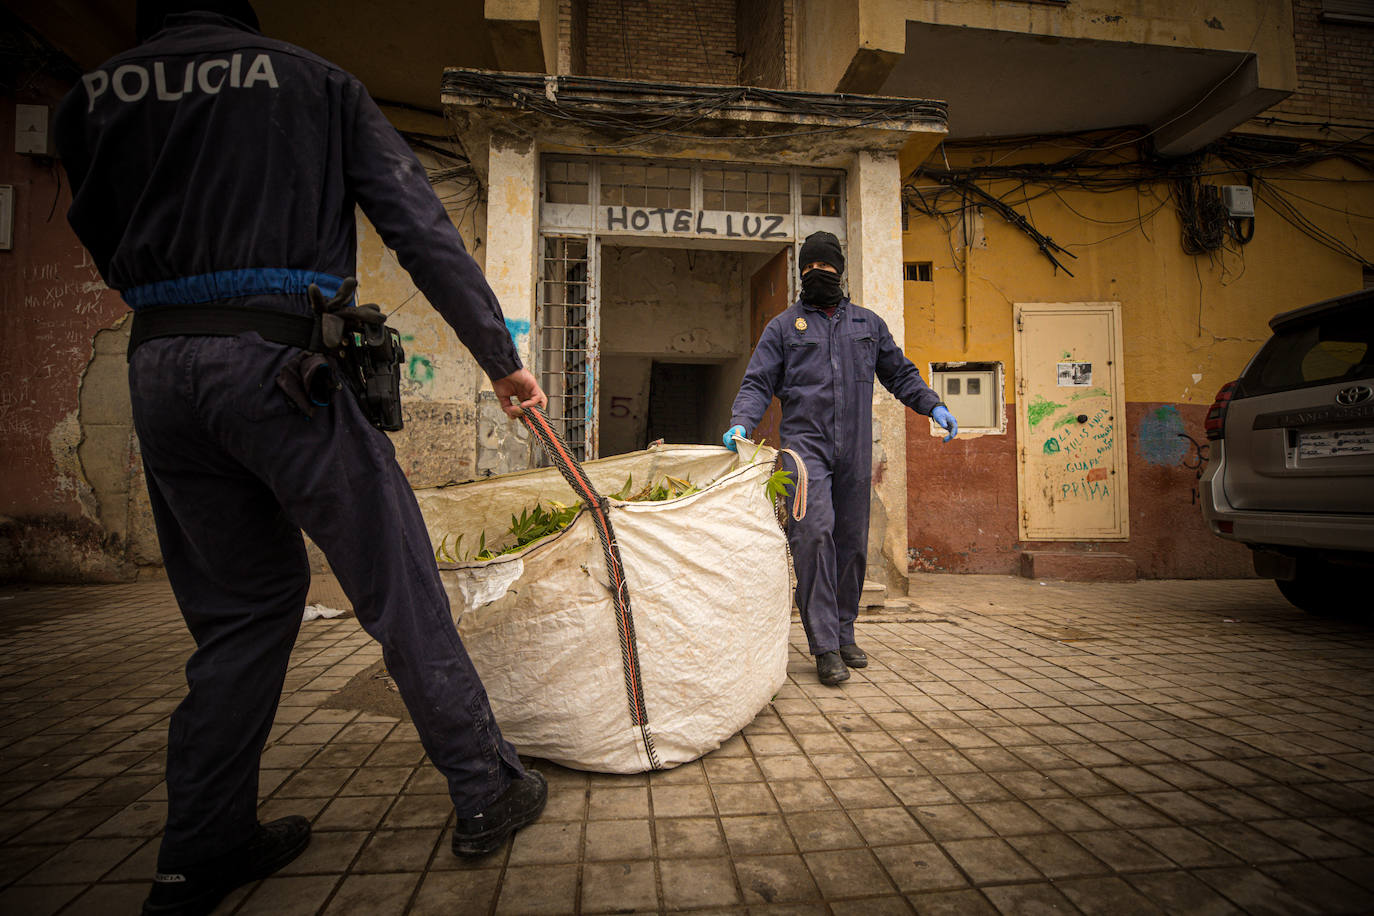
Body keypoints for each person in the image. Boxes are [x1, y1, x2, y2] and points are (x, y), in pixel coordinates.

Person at [53, 2, 547, 912]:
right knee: (397, 580)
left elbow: (97, 226)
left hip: (159, 370)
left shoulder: (93, 93)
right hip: (284, 368)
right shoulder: (313, 79)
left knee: (240, 617)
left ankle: (199, 850)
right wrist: (504, 361)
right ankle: (486, 788)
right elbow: (420, 230)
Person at [724, 231, 958, 687]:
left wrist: (933, 404)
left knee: (852, 543)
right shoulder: (783, 329)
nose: (819, 277)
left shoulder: (868, 325)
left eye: (827, 271)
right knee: (812, 536)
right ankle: (825, 645)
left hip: (855, 448)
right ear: (801, 274)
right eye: (811, 271)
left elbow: (901, 374)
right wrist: (742, 421)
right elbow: (756, 383)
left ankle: (845, 632)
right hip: (804, 450)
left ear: (840, 273)